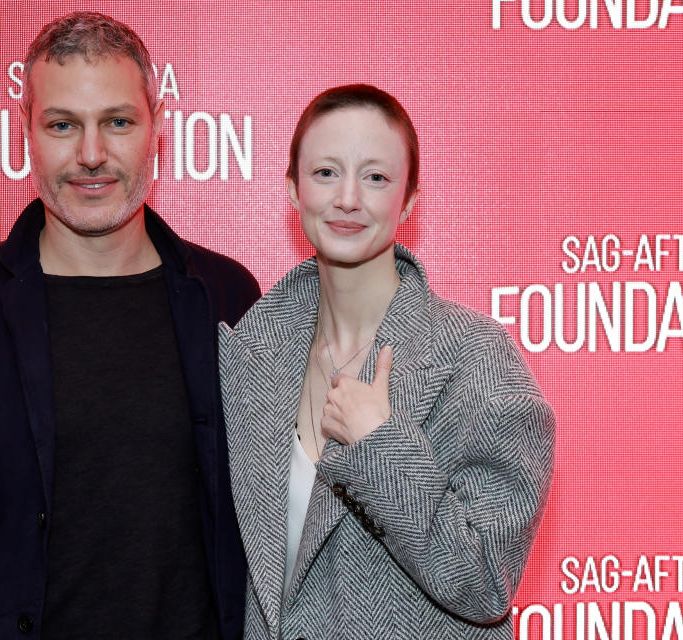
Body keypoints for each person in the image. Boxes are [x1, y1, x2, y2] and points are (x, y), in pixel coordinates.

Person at [0, 12, 259, 640]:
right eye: (63, 125)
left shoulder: (228, 296)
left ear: (156, 130)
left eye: (117, 122)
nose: (91, 155)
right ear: (26, 134)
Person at [218, 84, 554, 639]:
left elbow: (485, 583)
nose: (348, 197)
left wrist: (380, 445)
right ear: (293, 189)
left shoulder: (476, 360)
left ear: (410, 199)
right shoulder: (247, 354)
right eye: (326, 173)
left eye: (375, 177)